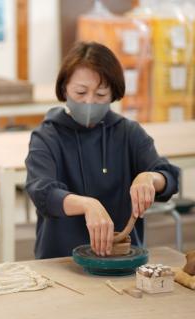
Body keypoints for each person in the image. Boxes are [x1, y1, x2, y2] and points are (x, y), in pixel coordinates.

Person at [25, 41, 179, 259]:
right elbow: (42, 191)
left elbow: (170, 176)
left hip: (123, 258)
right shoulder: (48, 136)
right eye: (80, 92)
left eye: (100, 94)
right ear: (64, 88)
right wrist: (87, 205)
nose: (89, 102)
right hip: (60, 259)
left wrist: (150, 178)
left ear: (113, 94)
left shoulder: (128, 133)